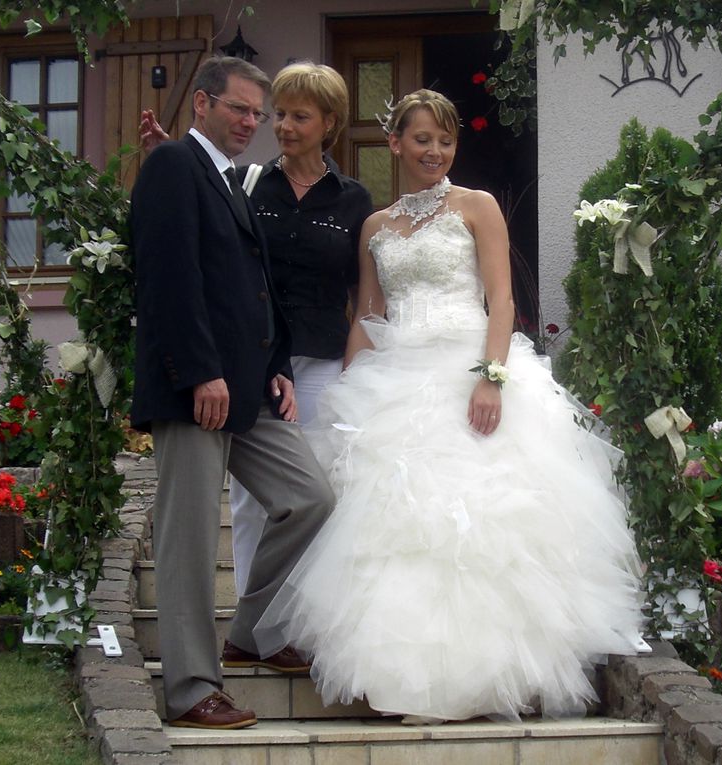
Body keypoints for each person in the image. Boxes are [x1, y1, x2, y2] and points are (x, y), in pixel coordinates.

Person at [254, 89, 647, 724]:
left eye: (446, 140)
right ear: (396, 144)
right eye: (422, 139)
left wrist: (491, 377)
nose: (435, 151)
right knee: (398, 534)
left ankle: (481, 679)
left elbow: (502, 301)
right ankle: (407, 678)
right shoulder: (376, 226)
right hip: (397, 376)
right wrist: (354, 387)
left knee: (477, 528)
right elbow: (369, 313)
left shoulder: (477, 207)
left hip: (469, 372)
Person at [130, 56, 334, 730]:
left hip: (248, 388)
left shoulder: (229, 181)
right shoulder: (172, 168)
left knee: (310, 497)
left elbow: (249, 287)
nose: (252, 122)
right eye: (239, 108)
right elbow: (168, 277)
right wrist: (198, 371)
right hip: (195, 388)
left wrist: (275, 363)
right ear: (202, 105)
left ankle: (249, 630)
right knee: (188, 537)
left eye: (258, 112)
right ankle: (191, 688)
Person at [140, 62, 372, 598]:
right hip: (251, 360)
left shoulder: (354, 199)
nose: (282, 126)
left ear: (329, 123)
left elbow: (362, 294)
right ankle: (253, 616)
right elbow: (193, 221)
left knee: (314, 493)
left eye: (298, 116)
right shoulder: (246, 180)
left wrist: (359, 364)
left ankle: (302, 618)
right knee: (248, 502)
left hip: (319, 362)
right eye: (279, 115)